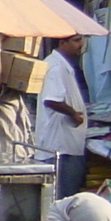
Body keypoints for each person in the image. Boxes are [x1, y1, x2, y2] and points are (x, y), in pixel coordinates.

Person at [36, 34, 89, 201]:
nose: (80, 44)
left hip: (66, 144)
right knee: (62, 199)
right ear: (62, 42)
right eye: (76, 40)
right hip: (60, 147)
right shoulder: (55, 66)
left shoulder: (61, 65)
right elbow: (51, 100)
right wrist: (73, 113)